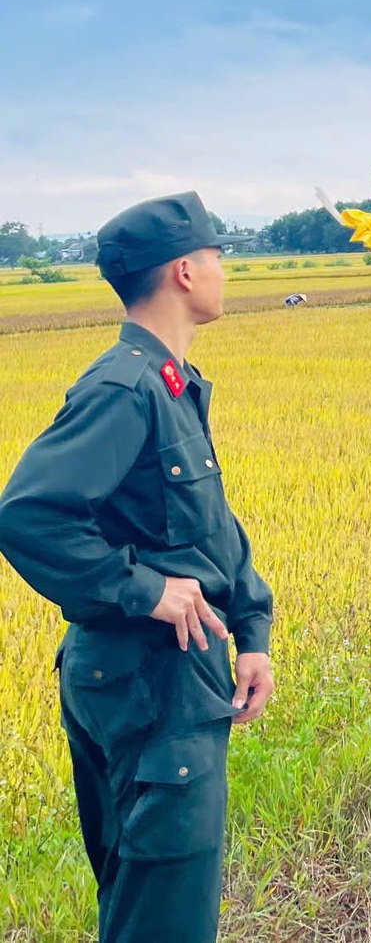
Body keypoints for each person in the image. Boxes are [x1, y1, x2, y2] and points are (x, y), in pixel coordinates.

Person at [0, 192, 276, 943]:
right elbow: (29, 513)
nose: (226, 270)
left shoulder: (171, 385)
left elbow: (208, 529)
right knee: (163, 919)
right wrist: (142, 589)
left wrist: (251, 629)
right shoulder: (123, 389)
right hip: (146, 682)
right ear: (186, 271)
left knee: (155, 903)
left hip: (171, 676)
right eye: (219, 257)